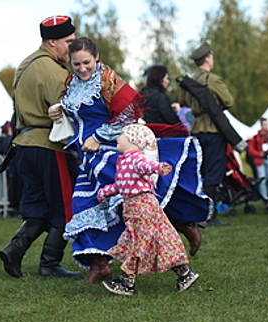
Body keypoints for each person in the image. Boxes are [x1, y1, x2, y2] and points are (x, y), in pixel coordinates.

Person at [54, 37, 210, 283]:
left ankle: (182, 224)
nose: (82, 68)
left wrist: (97, 137)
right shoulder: (71, 82)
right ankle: (99, 264)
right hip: (87, 155)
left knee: (137, 201)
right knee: (85, 206)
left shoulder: (107, 79)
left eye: (86, 62)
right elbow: (80, 113)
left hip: (110, 151)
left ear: (96, 58)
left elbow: (127, 114)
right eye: (76, 64)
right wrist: (60, 110)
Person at [0, 15, 80, 278]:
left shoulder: (26, 64)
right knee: (64, 207)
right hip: (49, 146)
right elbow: (69, 110)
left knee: (37, 208)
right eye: (68, 41)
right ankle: (49, 263)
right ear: (52, 41)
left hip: (24, 146)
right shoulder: (55, 72)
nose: (73, 46)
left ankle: (14, 250)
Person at [99, 124, 199, 296]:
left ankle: (126, 283)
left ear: (133, 140)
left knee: (137, 242)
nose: (117, 138)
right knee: (159, 240)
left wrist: (158, 168)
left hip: (142, 206)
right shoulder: (123, 160)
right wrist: (106, 192)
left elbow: (145, 165)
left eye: (121, 135)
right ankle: (185, 273)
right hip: (136, 207)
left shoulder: (135, 158)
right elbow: (122, 184)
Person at [185, 42, 234, 226]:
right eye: (211, 57)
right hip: (213, 129)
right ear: (207, 58)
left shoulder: (190, 80)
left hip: (196, 128)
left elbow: (184, 102)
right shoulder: (212, 80)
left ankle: (196, 212)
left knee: (199, 172)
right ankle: (209, 215)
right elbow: (229, 101)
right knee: (214, 171)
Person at [247, 118, 268, 200]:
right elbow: (251, 150)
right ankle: (264, 197)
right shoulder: (256, 137)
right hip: (260, 160)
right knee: (262, 179)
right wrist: (258, 154)